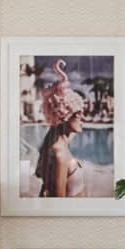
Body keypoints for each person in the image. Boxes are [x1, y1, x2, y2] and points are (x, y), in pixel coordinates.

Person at [34, 59, 88, 198]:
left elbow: (61, 128)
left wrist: (61, 87)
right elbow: (59, 204)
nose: (84, 118)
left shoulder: (55, 141)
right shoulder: (60, 155)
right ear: (63, 116)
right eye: (78, 114)